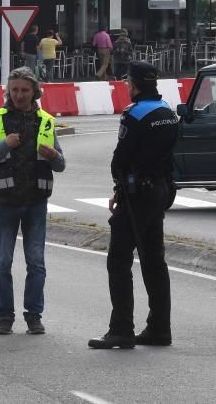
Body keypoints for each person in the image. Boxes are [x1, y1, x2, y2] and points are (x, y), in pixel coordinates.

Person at [89, 60, 178, 350]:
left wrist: (119, 186)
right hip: (160, 191)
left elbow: (121, 158)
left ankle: (121, 329)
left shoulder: (134, 114)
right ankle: (159, 328)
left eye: (128, 82)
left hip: (137, 194)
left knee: (118, 260)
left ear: (134, 84)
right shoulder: (167, 112)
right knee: (154, 261)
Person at [0, 67, 66, 336]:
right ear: (8, 91)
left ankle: (34, 316)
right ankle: (5, 317)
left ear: (34, 92)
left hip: (36, 201)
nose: (19, 95)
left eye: (24, 90)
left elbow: (61, 164)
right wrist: (5, 145)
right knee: (3, 262)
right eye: (14, 90)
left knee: (36, 262)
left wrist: (52, 156)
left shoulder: (46, 122)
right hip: (5, 202)